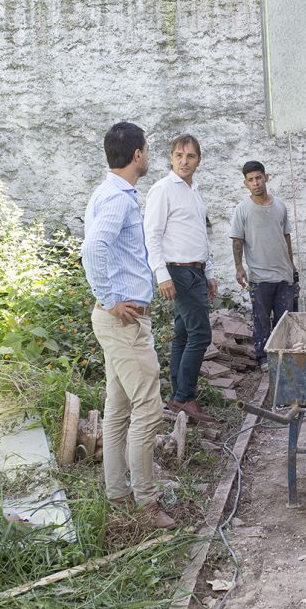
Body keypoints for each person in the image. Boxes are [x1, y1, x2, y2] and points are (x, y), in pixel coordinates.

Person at [80, 121, 175, 529]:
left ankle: (119, 496)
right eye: (148, 150)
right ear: (138, 155)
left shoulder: (108, 192)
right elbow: (94, 248)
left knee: (117, 410)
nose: (149, 156)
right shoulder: (118, 199)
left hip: (119, 321)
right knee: (148, 410)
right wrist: (108, 299)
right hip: (125, 322)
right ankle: (145, 504)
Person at [144, 134, 217, 424]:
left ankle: (177, 397)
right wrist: (161, 274)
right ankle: (185, 397)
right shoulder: (163, 189)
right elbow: (151, 234)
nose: (184, 161)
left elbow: (201, 234)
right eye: (178, 155)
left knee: (184, 334)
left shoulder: (195, 191)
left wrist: (209, 272)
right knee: (201, 334)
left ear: (199, 160)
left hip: (196, 270)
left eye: (190, 156)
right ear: (171, 158)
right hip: (177, 270)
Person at [229, 160, 295, 370]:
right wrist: (239, 268)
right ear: (245, 183)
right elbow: (237, 240)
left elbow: (286, 238)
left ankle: (282, 356)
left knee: (284, 320)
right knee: (261, 319)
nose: (256, 183)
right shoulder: (242, 209)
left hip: (283, 275)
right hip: (259, 276)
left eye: (258, 178)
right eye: (251, 180)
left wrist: (292, 268)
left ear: (266, 177)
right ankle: (263, 358)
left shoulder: (280, 206)